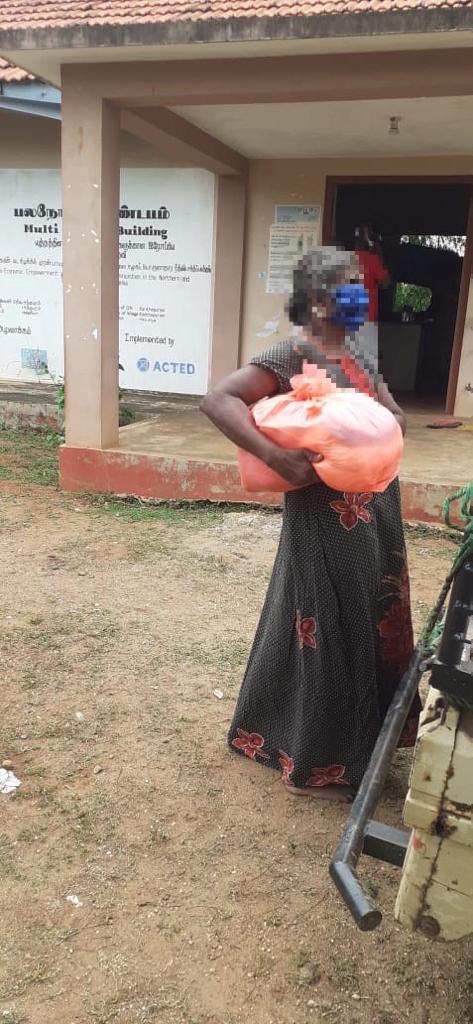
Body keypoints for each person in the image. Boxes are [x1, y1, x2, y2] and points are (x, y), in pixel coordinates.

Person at [201, 247, 420, 802]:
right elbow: (220, 400)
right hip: (324, 512)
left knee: (370, 616)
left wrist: (375, 427)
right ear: (318, 298)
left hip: (377, 506)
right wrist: (277, 456)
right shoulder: (291, 353)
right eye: (349, 285)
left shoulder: (359, 355)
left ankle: (362, 743)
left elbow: (394, 415)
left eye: (361, 285)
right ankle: (319, 764)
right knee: (329, 624)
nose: (360, 295)